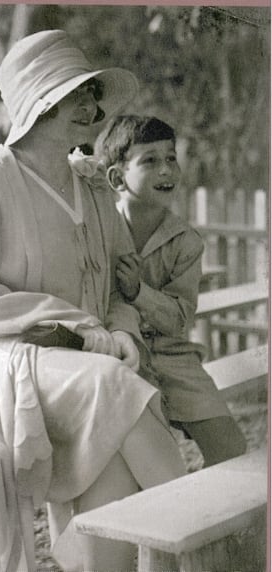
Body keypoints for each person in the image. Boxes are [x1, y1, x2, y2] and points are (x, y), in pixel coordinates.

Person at [0, 32, 186, 572]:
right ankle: (202, 534)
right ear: (38, 105)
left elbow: (116, 285)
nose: (91, 109)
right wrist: (86, 329)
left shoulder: (92, 188)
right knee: (117, 389)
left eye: (92, 95)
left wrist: (122, 334)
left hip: (75, 358)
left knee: (112, 451)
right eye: (75, 97)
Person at [96, 114, 247, 469]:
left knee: (231, 448)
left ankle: (207, 516)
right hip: (119, 357)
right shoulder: (100, 232)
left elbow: (180, 319)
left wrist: (138, 292)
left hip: (174, 357)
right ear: (117, 178)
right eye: (150, 161)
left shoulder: (186, 242)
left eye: (171, 158)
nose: (166, 170)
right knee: (148, 465)